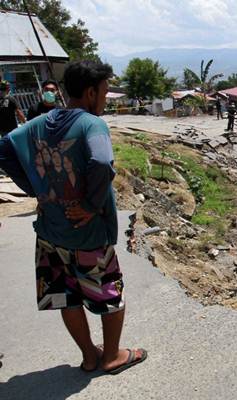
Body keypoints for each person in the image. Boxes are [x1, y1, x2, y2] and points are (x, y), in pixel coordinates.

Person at [0, 61, 147, 374]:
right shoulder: (93, 125)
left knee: (65, 296)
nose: (106, 100)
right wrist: (93, 205)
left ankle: (89, 356)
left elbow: (4, 147)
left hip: (49, 232)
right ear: (91, 92)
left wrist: (37, 190)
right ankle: (111, 357)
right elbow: (103, 162)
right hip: (87, 231)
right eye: (105, 93)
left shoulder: (40, 121)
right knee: (108, 293)